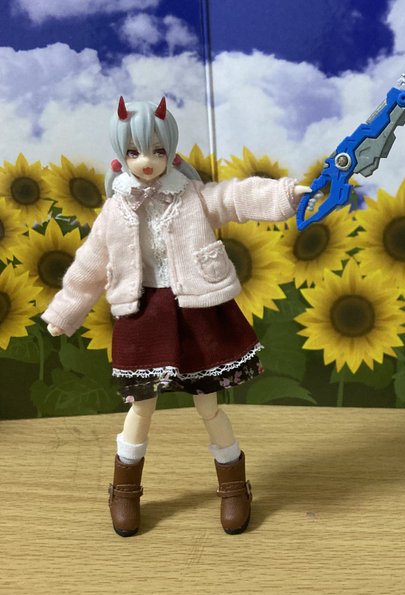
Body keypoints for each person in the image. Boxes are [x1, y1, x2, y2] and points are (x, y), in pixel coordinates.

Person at [42, 97, 310, 536]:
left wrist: (283, 195)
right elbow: (90, 264)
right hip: (144, 314)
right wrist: (65, 312)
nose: (146, 161)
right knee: (141, 406)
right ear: (122, 154)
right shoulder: (116, 209)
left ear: (170, 151)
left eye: (157, 151)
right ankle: (125, 489)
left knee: (208, 403)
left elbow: (234, 197)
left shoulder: (190, 196)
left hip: (196, 308)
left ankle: (234, 485)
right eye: (134, 152)